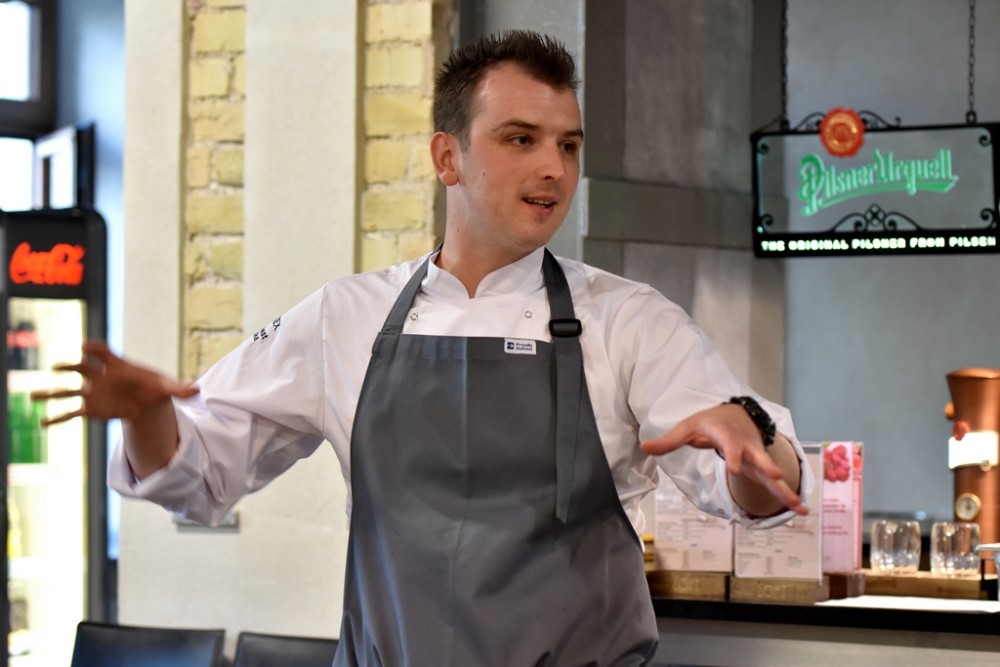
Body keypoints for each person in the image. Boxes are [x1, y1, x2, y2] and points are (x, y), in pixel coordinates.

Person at [35, 29, 811, 667]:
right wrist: (146, 415)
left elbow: (756, 488)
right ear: (448, 157)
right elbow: (201, 473)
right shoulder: (344, 317)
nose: (554, 168)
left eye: (569, 145)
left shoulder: (629, 320)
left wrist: (751, 437)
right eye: (521, 139)